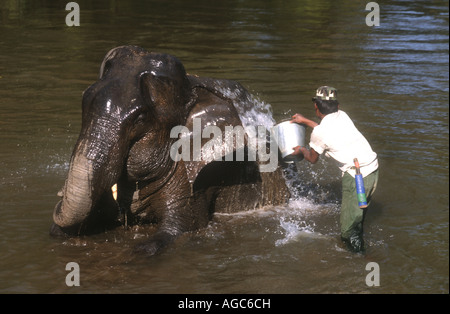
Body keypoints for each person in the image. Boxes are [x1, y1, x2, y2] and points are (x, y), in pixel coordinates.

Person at [290, 86, 379, 253]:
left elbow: (312, 159)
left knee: (347, 232)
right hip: (373, 170)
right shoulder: (343, 116)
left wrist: (301, 150)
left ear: (316, 106)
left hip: (357, 178)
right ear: (337, 106)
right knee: (358, 221)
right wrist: (306, 121)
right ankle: (360, 247)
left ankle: (362, 260)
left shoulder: (319, 133)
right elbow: (323, 130)